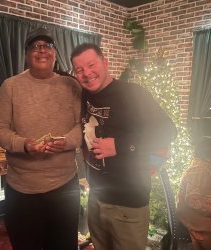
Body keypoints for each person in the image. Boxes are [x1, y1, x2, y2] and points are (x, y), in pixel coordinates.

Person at [71, 43, 177, 250]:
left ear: (105, 62)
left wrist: (121, 145)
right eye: (80, 70)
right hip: (96, 197)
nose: (87, 73)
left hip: (128, 203)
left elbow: (168, 131)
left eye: (91, 64)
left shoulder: (133, 94)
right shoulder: (84, 95)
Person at [0, 27, 82, 250]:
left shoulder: (70, 85)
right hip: (23, 191)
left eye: (47, 46)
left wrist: (67, 142)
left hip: (65, 186)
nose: (42, 50)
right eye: (35, 46)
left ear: (54, 53)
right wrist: (24, 145)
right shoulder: (10, 86)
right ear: (26, 54)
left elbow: (82, 125)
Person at [177, 139, 211, 250]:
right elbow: (194, 201)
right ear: (209, 155)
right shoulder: (198, 170)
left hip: (206, 217)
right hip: (197, 220)